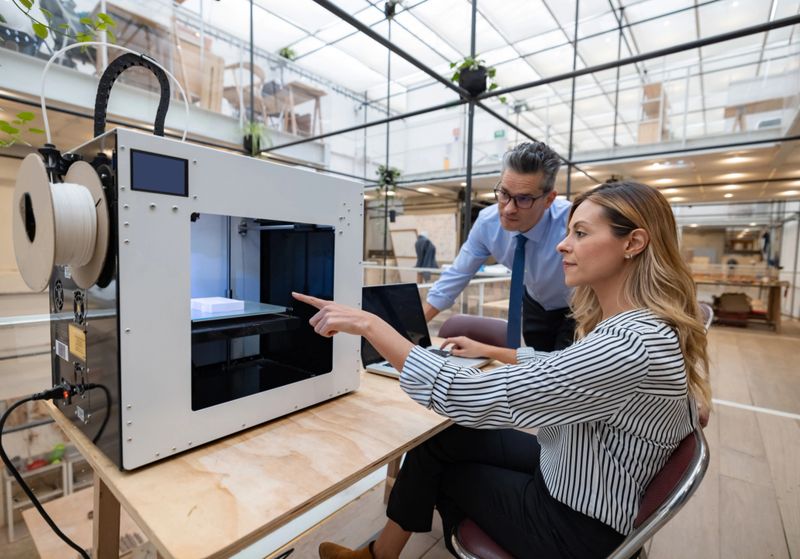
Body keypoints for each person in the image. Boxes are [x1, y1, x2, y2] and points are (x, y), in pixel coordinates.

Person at [293, 181, 711, 559]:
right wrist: (489, 349)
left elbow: (468, 397)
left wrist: (370, 324)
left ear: (633, 243)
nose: (562, 246)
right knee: (442, 439)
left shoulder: (628, 343)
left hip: (576, 522)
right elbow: (564, 371)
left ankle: (386, 552)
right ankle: (380, 555)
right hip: (575, 465)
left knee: (442, 469)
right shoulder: (640, 326)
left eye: (580, 234)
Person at [423, 141, 574, 351]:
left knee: (561, 374)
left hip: (578, 307)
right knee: (533, 369)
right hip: (534, 302)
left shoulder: (571, 223)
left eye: (523, 199)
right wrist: (412, 331)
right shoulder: (487, 223)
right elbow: (456, 276)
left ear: (549, 199)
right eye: (504, 194)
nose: (508, 209)